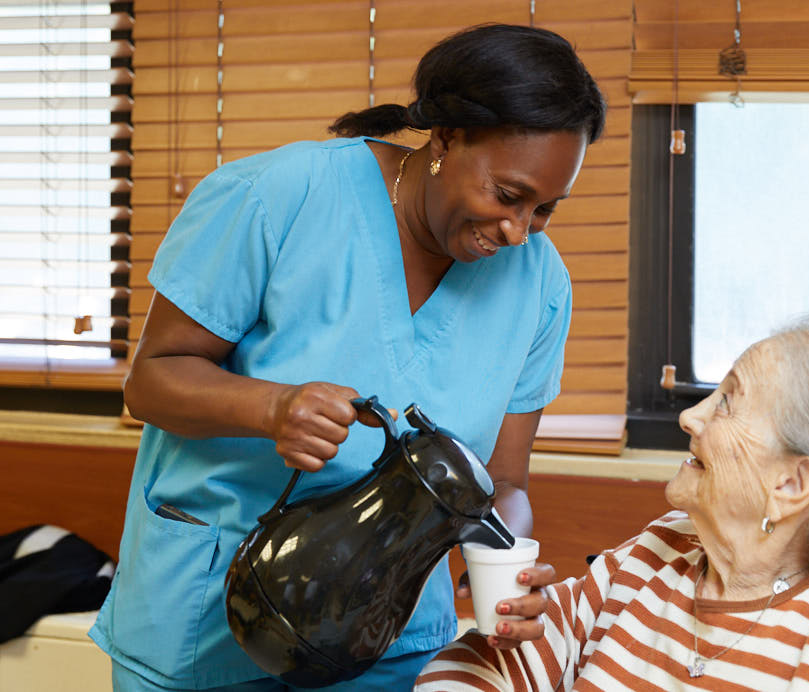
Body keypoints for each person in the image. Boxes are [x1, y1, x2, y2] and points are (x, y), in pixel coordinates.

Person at [89, 23, 606, 692]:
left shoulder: (540, 284)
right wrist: (273, 407)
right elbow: (151, 382)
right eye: (508, 196)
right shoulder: (274, 197)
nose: (517, 233)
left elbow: (502, 482)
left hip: (382, 635)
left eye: (544, 211)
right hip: (206, 617)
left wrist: (505, 566)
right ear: (445, 138)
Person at [415, 316, 809, 691]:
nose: (689, 417)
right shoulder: (655, 555)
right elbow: (489, 662)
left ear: (793, 483)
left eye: (727, 402)